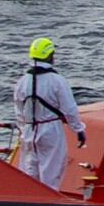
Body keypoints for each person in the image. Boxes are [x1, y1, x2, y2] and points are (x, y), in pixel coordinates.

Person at [12, 36, 84, 190]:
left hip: (28, 130)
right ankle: (49, 199)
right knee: (51, 172)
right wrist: (78, 129)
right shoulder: (57, 80)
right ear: (50, 55)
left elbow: (18, 110)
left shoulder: (22, 81)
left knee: (29, 172)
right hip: (50, 129)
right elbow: (70, 109)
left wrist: (23, 129)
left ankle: (30, 198)